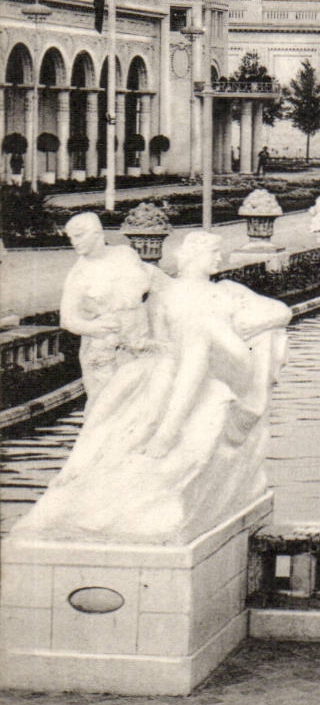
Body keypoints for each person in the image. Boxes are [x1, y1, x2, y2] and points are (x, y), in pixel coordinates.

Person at [15, 231, 291, 545]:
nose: (220, 259)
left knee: (200, 335)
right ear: (192, 255)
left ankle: (169, 430)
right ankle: (78, 466)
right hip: (182, 360)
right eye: (214, 252)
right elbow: (157, 338)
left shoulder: (227, 290)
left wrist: (239, 326)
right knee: (123, 387)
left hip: (231, 362)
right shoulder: (165, 292)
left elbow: (283, 311)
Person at [59, 212, 163, 402]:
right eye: (71, 237)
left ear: (97, 233)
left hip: (140, 344)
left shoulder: (125, 254)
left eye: (79, 235)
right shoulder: (79, 274)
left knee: (145, 407)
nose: (74, 242)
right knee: (108, 408)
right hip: (106, 352)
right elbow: (67, 319)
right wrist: (92, 327)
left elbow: (156, 283)